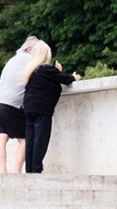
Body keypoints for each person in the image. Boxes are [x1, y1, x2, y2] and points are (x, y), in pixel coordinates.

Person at [18, 41, 80, 174]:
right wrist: (75, 76)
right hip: (42, 109)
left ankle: (30, 170)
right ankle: (36, 170)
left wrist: (56, 71)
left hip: (28, 107)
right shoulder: (47, 69)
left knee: (30, 140)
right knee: (40, 139)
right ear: (46, 55)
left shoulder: (32, 71)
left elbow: (49, 81)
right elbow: (66, 79)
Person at [0, 35, 39, 173]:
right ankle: (16, 171)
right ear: (29, 49)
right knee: (24, 138)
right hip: (10, 104)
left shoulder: (13, 59)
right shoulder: (29, 59)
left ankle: (2, 171)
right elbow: (43, 76)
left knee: (2, 137)